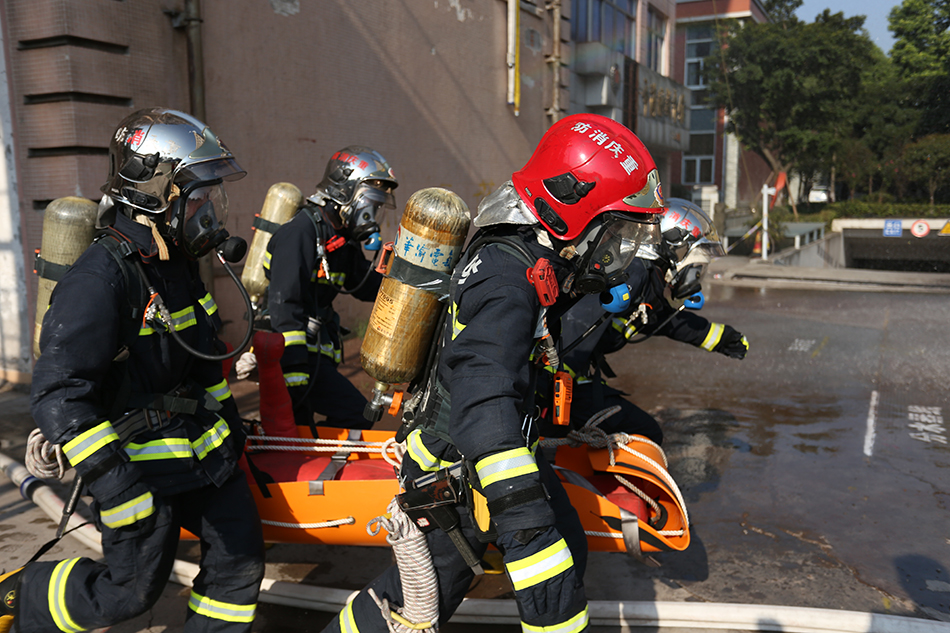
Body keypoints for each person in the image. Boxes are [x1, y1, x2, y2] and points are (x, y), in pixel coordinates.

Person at [322, 114, 665, 633]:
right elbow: (483, 396)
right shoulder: (509, 278)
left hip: (490, 454)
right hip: (457, 470)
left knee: (565, 555)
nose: (620, 248)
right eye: (616, 230)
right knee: (407, 610)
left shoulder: (526, 249)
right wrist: (525, 522)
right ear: (570, 208)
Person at [0, 108, 265, 633]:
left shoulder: (176, 264)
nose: (209, 209)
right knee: (130, 593)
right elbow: (59, 396)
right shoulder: (99, 282)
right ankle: (22, 598)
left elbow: (202, 358)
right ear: (156, 196)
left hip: (204, 455)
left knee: (238, 564)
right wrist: (117, 485)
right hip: (138, 470)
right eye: (200, 194)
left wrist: (232, 432)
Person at [560, 197, 749, 443]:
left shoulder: (645, 277)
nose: (695, 275)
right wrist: (552, 392)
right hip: (558, 383)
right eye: (697, 266)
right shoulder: (634, 272)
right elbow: (575, 324)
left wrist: (722, 338)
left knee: (641, 430)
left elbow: (662, 321)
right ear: (674, 247)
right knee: (645, 433)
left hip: (568, 381)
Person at [263, 146, 398, 432]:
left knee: (305, 427)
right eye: (369, 205)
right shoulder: (300, 233)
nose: (372, 215)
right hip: (292, 357)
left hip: (315, 355)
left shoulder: (341, 238)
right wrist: (295, 371)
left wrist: (408, 287)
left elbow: (361, 284)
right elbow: (284, 305)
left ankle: (321, 467)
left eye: (376, 207)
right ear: (343, 193)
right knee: (353, 415)